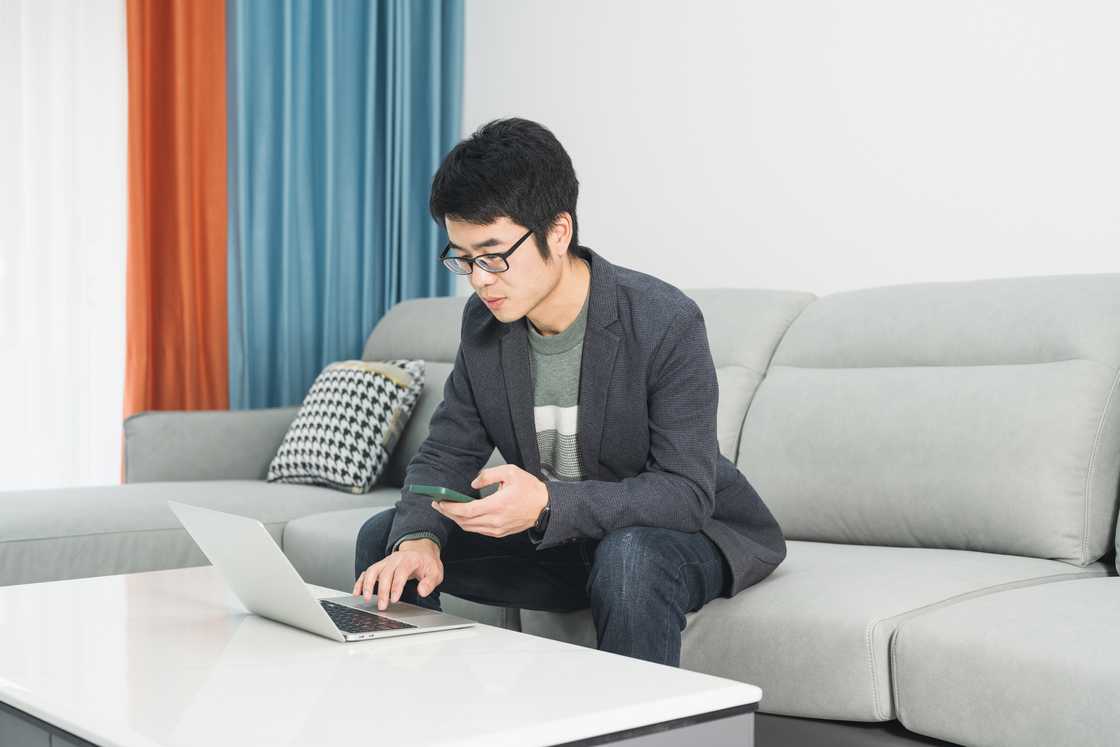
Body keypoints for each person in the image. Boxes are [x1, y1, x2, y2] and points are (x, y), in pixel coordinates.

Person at [354, 118, 785, 667]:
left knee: (629, 557)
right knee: (387, 539)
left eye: (492, 254)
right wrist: (419, 538)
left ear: (558, 232)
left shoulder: (662, 320)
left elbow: (685, 493)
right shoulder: (484, 324)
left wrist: (549, 502)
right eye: (462, 258)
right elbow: (447, 451)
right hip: (565, 542)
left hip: (680, 536)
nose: (479, 279)